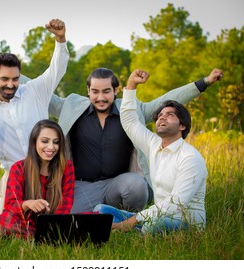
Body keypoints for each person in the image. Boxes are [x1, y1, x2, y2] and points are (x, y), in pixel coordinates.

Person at [48, 67, 224, 213]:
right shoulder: (70, 105)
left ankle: (127, 219)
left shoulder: (131, 110)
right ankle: (104, 212)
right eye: (95, 91)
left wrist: (204, 82)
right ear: (88, 91)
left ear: (116, 90)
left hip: (120, 183)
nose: (100, 97)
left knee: (137, 186)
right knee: (65, 216)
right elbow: (37, 91)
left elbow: (167, 101)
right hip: (81, 186)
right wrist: (18, 76)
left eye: (106, 91)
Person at [94, 68, 223, 234]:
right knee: (101, 211)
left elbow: (175, 205)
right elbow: (129, 121)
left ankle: (129, 231)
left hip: (186, 222)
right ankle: (130, 230)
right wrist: (131, 85)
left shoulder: (190, 158)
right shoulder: (153, 144)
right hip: (156, 215)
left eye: (169, 115)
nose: (162, 117)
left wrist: (130, 222)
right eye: (160, 115)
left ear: (182, 125)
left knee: (152, 226)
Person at [0, 19, 69, 216]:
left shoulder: (35, 91)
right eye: (5, 79)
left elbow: (57, 68)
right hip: (14, 177)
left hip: (47, 172)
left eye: (15, 79)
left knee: (52, 222)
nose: (11, 84)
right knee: (5, 223)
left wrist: (60, 39)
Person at [0, 119, 75, 238]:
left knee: (82, 223)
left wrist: (55, 226)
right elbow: (10, 206)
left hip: (53, 221)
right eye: (45, 141)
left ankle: (42, 234)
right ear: (34, 143)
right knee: (5, 223)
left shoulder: (66, 167)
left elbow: (66, 204)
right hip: (24, 220)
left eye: (56, 142)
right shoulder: (19, 168)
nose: (51, 147)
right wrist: (27, 204)